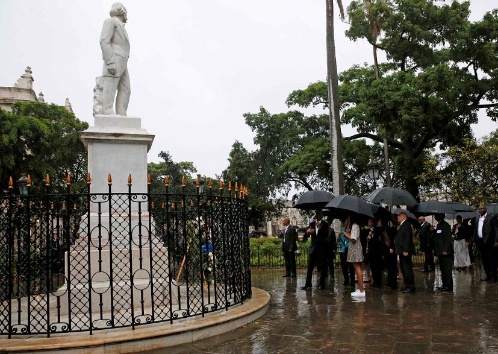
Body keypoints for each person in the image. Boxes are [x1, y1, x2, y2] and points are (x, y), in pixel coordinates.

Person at [98, 2, 131, 116]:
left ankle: (121, 114)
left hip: (123, 62)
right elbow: (104, 41)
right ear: (121, 10)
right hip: (114, 59)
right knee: (110, 85)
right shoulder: (110, 21)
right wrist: (110, 61)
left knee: (126, 89)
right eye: (126, 12)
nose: (127, 15)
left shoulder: (121, 26)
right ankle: (107, 111)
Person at [301, 211, 329, 290]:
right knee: (310, 267)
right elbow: (306, 237)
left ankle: (321, 284)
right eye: (317, 214)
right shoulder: (312, 224)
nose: (318, 215)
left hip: (322, 249)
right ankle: (308, 284)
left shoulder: (325, 224)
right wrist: (307, 232)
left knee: (322, 267)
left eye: (319, 214)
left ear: (322, 215)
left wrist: (320, 227)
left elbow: (326, 235)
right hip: (313, 249)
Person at [475, 205, 498, 283]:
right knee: (484, 260)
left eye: (482, 209)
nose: (480, 210)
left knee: (491, 259)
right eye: (479, 209)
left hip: (489, 241)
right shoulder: (477, 218)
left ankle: (493, 276)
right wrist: (475, 241)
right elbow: (476, 229)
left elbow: (496, 229)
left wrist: (496, 241)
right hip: (481, 242)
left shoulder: (491, 217)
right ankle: (487, 275)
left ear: (485, 209)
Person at [343, 215, 365, 297]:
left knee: (357, 269)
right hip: (354, 248)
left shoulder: (355, 225)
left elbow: (353, 239)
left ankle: (362, 291)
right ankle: (360, 289)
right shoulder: (354, 225)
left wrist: (346, 234)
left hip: (355, 249)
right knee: (357, 268)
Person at [395, 211, 415, 293]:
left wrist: (406, 250)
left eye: (399, 216)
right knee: (404, 268)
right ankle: (407, 285)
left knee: (407, 269)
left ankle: (410, 286)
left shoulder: (406, 225)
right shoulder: (402, 225)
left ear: (403, 216)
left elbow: (407, 238)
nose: (397, 217)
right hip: (401, 250)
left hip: (404, 251)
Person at [433, 213, 454, 291]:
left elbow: (447, 239)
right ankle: (444, 284)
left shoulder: (445, 225)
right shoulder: (439, 225)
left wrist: (445, 249)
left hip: (445, 252)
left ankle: (448, 286)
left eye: (436, 215)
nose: (435, 217)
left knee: (447, 269)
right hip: (440, 251)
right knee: (442, 269)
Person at [338, 218, 355, 287]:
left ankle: (352, 280)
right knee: (344, 266)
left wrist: (347, 234)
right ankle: (346, 280)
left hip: (349, 248)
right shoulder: (342, 229)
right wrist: (339, 237)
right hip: (342, 249)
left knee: (351, 266)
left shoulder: (351, 228)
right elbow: (340, 240)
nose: (343, 223)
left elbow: (353, 239)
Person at [382, 219, 398, 290]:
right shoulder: (384, 229)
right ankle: (389, 283)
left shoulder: (392, 229)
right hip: (386, 250)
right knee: (389, 267)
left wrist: (392, 247)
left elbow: (393, 239)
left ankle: (393, 284)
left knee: (392, 267)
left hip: (391, 250)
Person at [369, 219, 384, 288]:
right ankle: (375, 281)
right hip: (371, 251)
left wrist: (372, 235)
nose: (369, 222)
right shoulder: (368, 230)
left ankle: (378, 282)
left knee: (377, 267)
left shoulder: (378, 229)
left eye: (370, 221)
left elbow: (378, 239)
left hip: (377, 251)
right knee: (372, 266)